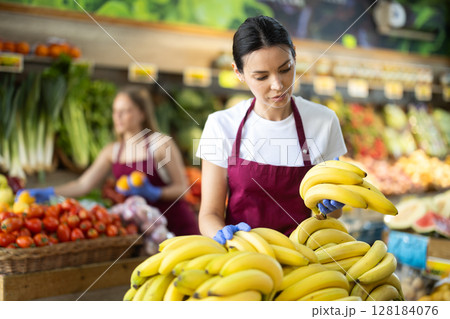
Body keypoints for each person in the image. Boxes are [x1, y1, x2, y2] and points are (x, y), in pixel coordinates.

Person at [196, 16, 347, 244]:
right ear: (238, 72)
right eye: (261, 76)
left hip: (308, 261)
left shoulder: (324, 121)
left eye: (285, 69)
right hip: (245, 260)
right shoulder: (221, 125)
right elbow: (209, 214)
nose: (278, 85)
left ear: (294, 55)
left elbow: (333, 216)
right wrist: (223, 236)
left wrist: (331, 205)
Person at [16, 86, 200, 236]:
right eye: (115, 111)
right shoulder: (112, 151)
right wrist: (47, 192)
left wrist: (154, 192)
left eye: (125, 111)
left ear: (142, 114)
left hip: (177, 227)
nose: (117, 117)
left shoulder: (160, 144)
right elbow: (82, 185)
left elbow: (182, 188)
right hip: (142, 233)